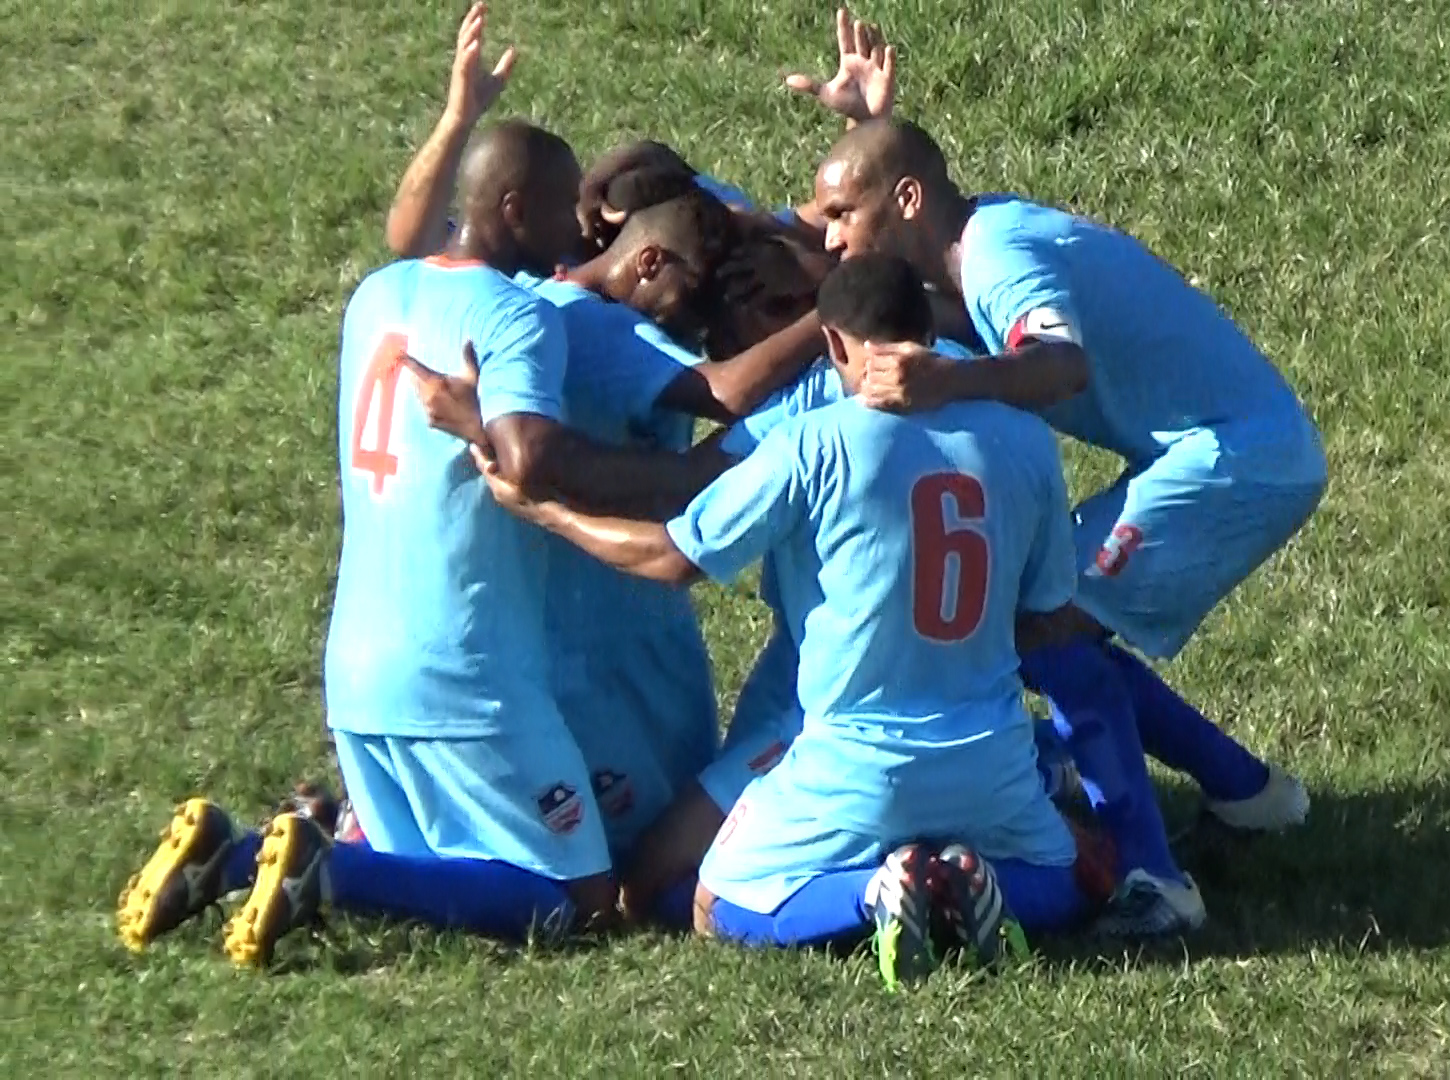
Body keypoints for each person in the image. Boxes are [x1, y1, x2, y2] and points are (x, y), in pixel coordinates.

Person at [473, 254, 1098, 988]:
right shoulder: (1026, 441)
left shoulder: (815, 441)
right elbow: (1052, 615)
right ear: (928, 328)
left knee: (713, 903)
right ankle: (965, 885)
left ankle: (874, 895)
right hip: (990, 754)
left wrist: (546, 511)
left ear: (834, 345)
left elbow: (671, 557)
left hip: (851, 759)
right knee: (1071, 880)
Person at [117, 119, 633, 968]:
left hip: (354, 664)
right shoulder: (517, 318)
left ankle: (239, 856)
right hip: (466, 671)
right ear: (513, 208)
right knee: (580, 900)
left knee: (432, 874)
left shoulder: (374, 295)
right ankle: (324, 873)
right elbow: (530, 457)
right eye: (561, 204)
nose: (578, 228)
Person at [808, 117, 1329, 935]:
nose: (829, 236)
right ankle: (1247, 795)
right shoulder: (974, 240)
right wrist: (867, 125)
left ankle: (1156, 883)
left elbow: (1059, 363)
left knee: (1047, 632)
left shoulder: (998, 255)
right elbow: (941, 295)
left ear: (906, 199)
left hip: (1235, 460)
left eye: (841, 214)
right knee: (1042, 629)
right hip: (1228, 447)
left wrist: (947, 381)